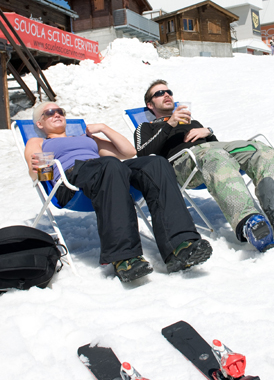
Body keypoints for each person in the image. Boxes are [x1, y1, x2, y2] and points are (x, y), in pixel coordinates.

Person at [133, 80, 274, 253]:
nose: (166, 95)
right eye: (159, 93)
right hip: (184, 165)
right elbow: (143, 152)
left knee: (259, 149)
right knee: (214, 154)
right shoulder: (147, 127)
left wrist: (207, 132)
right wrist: (170, 124)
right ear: (150, 104)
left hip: (212, 153)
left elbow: (218, 146)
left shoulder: (192, 120)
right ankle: (248, 222)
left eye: (169, 91)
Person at [25, 101, 211, 282]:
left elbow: (128, 152)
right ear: (39, 124)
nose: (57, 114)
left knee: (155, 163)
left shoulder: (86, 139)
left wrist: (104, 128)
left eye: (60, 111)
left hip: (107, 173)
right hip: (72, 181)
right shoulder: (38, 141)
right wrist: (37, 167)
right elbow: (35, 173)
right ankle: (124, 258)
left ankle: (179, 245)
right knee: (110, 164)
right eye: (49, 113)